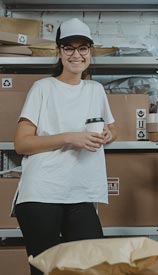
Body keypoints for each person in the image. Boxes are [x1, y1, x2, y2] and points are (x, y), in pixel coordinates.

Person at [13, 18, 117, 275]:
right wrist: (70, 137)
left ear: (90, 52)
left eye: (83, 48)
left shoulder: (95, 90)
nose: (76, 54)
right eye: (68, 47)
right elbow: (21, 143)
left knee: (92, 266)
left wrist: (107, 135)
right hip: (42, 193)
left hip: (80, 192)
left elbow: (112, 128)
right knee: (47, 271)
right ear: (59, 52)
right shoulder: (43, 88)